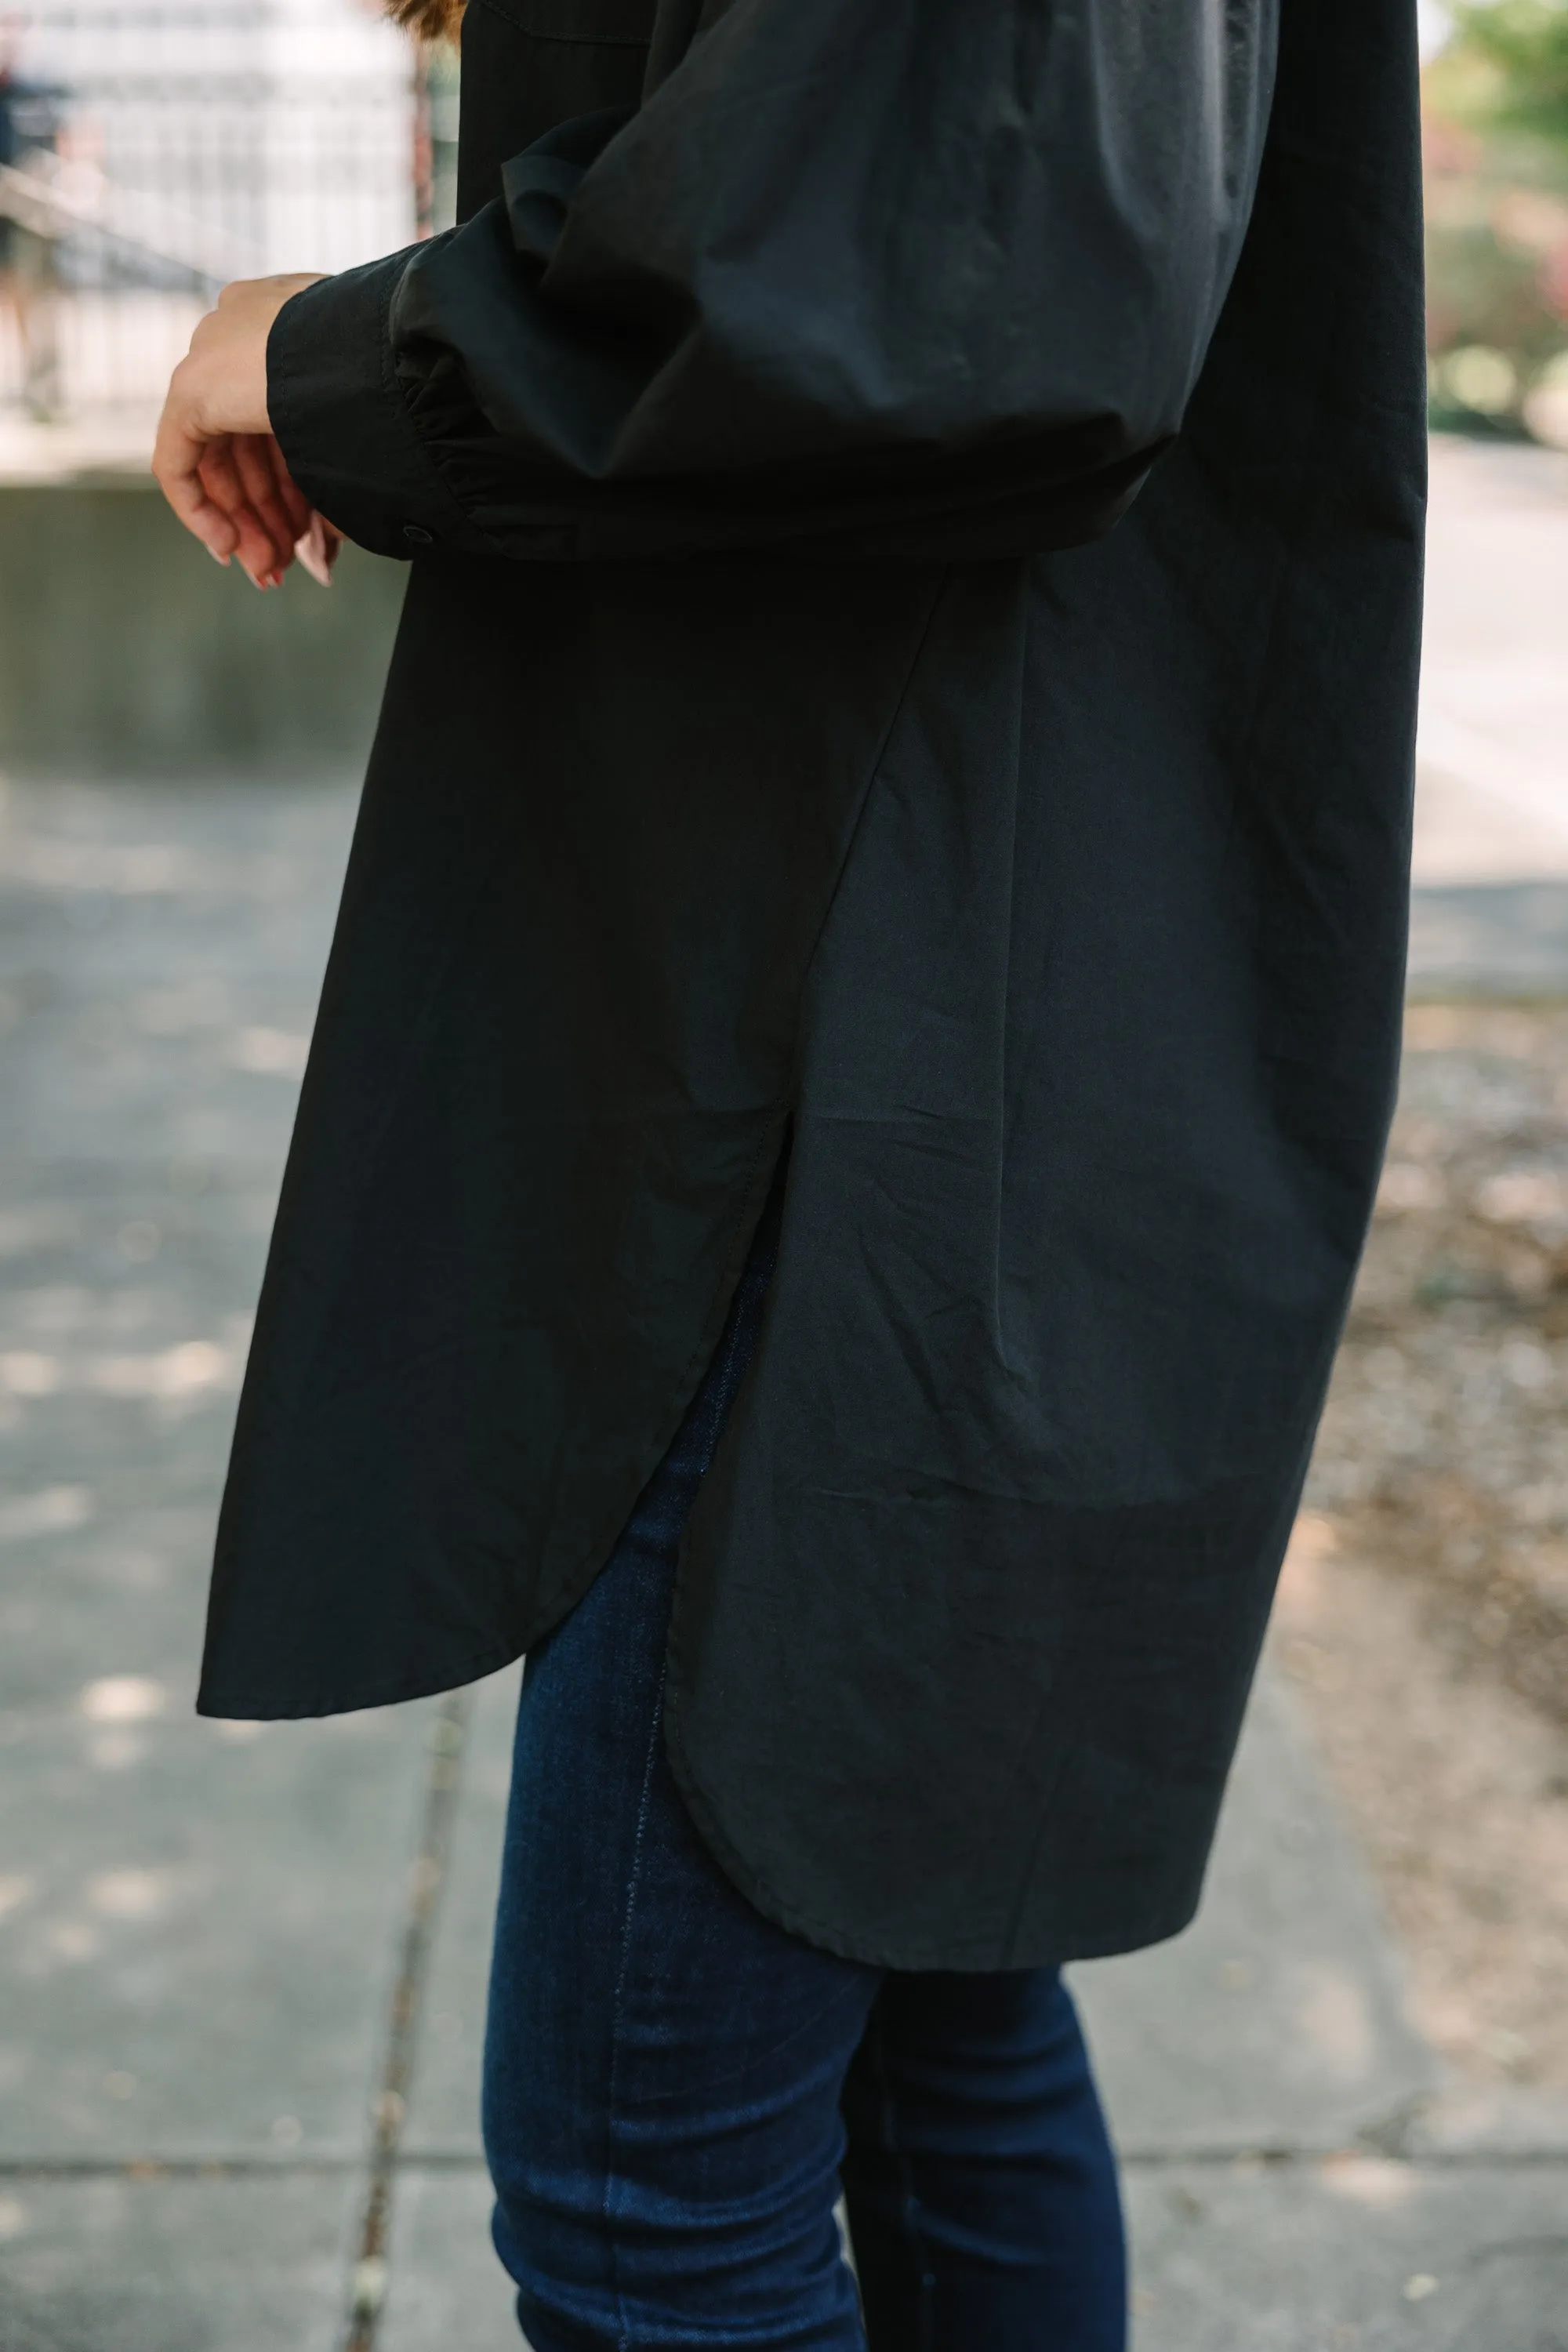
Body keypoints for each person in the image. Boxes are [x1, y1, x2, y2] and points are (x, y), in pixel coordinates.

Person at [153, 0, 1425, 2344]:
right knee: (929, 2031)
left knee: (656, 2206)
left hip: (856, 1021)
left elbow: (951, 264)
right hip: (927, 952)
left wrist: (318, 350)